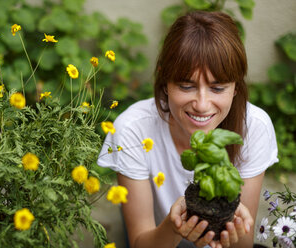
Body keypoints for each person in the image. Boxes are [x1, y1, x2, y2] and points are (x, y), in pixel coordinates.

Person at [97, 11, 278, 248]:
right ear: (165, 81)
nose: (202, 105)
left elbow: (242, 244)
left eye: (218, 88)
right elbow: (141, 242)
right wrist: (174, 227)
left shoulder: (255, 127)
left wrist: (234, 225)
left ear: (236, 86)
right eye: (186, 85)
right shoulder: (133, 129)